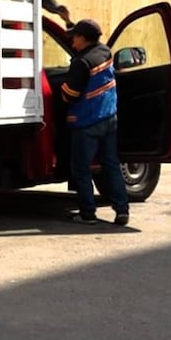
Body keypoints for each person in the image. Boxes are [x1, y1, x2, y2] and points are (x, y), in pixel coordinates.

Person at [61, 18, 130, 226]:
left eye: (75, 37)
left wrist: (62, 88)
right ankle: (122, 210)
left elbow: (69, 95)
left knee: (82, 169)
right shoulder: (106, 53)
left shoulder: (82, 63)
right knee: (111, 165)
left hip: (86, 122)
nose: (73, 42)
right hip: (109, 119)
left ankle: (88, 214)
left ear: (82, 38)